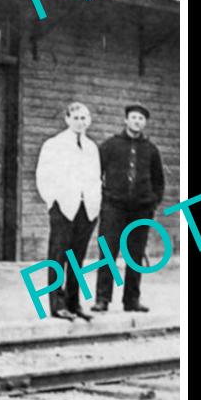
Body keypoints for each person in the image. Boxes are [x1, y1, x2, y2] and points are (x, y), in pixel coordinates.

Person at [35, 102, 102, 322]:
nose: (80, 122)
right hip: (64, 207)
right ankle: (56, 304)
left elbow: (95, 177)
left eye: (84, 118)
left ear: (89, 120)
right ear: (66, 119)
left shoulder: (91, 147)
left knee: (77, 258)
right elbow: (43, 176)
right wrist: (54, 201)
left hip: (86, 209)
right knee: (58, 256)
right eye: (76, 118)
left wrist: (94, 201)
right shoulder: (54, 145)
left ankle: (74, 303)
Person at [95, 103, 165, 312]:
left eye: (141, 119)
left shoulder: (151, 150)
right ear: (126, 120)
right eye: (133, 118)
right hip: (113, 208)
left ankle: (131, 300)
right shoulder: (110, 145)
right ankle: (102, 299)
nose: (137, 122)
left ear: (145, 123)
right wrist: (105, 198)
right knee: (108, 251)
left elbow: (158, 180)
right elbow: (95, 173)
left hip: (141, 210)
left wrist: (152, 201)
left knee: (135, 254)